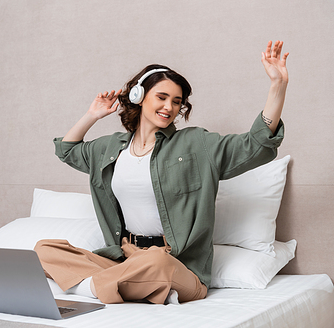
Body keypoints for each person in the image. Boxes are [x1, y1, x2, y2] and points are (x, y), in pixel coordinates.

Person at [35, 41, 289, 305]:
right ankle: (107, 285)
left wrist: (277, 86)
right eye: (162, 97)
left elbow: (256, 145)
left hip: (175, 264)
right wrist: (92, 115)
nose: (170, 107)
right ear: (139, 96)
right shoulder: (110, 148)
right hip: (125, 257)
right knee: (45, 249)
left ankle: (91, 286)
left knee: (155, 261)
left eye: (177, 102)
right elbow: (67, 150)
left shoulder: (196, 144)